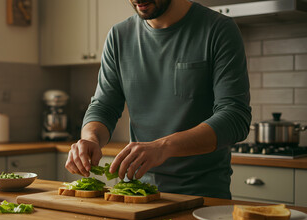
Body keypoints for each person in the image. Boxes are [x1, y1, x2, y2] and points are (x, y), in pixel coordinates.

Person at [65, 0, 251, 199]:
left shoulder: (219, 29)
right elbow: (104, 106)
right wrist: (90, 138)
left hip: (200, 195)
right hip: (135, 193)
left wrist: (163, 147)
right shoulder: (119, 36)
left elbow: (235, 117)